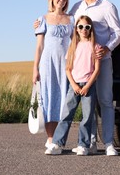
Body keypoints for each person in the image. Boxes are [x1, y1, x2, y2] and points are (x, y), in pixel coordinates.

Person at [70, 0, 120, 156]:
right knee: (88, 104)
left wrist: (107, 47)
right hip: (83, 64)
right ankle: (90, 142)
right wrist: (41, 23)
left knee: (106, 101)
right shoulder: (76, 8)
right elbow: (67, 29)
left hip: (103, 60)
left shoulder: (107, 6)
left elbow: (117, 32)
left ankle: (108, 143)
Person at [45, 15, 101, 156]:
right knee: (66, 115)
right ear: (76, 29)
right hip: (74, 85)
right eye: (80, 27)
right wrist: (74, 85)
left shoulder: (95, 46)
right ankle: (57, 143)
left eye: (87, 27)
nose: (83, 29)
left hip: (88, 86)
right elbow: (68, 69)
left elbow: (97, 70)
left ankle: (83, 145)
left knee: (87, 117)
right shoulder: (73, 46)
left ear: (90, 29)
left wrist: (87, 86)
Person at [33, 0, 75, 149]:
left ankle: (58, 138)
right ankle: (51, 138)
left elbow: (75, 43)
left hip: (65, 65)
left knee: (64, 101)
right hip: (47, 64)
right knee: (49, 99)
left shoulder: (71, 19)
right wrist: (35, 69)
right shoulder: (42, 19)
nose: (61, 0)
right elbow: (39, 46)